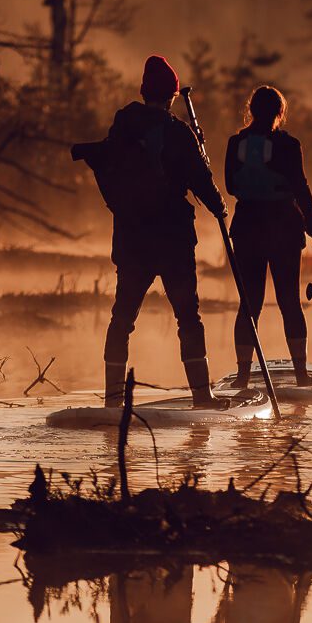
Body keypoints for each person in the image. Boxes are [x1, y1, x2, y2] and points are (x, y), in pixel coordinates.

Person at [79, 54, 226, 407]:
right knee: (188, 317)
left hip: (132, 240)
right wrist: (220, 208)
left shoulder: (124, 124)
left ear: (145, 92)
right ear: (173, 96)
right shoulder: (178, 133)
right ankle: (202, 398)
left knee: (122, 318)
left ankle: (113, 401)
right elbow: (201, 182)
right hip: (173, 241)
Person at [224, 85, 312, 387]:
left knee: (249, 303)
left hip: (247, 229)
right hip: (283, 229)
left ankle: (242, 375)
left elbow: (230, 186)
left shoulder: (235, 143)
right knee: (289, 301)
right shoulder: (288, 145)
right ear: (280, 113)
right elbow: (300, 185)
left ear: (251, 111)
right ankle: (302, 375)